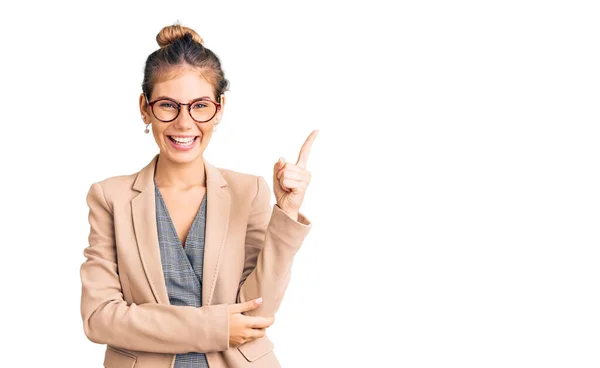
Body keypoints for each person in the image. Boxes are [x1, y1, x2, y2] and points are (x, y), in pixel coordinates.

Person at [79, 23, 317, 368]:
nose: (184, 122)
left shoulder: (247, 192)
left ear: (218, 109)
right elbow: (99, 317)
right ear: (145, 108)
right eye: (167, 105)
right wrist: (216, 327)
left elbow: (257, 312)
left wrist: (288, 211)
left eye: (200, 106)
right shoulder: (109, 197)